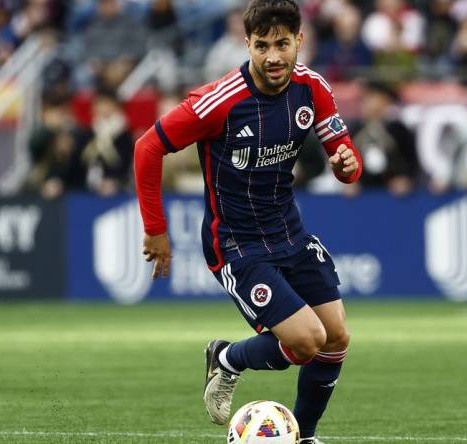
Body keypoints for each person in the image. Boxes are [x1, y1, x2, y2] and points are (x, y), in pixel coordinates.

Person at [133, 2, 363, 444]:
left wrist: (348, 165)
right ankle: (228, 358)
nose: (273, 56)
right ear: (247, 44)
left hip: (290, 232)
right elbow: (148, 148)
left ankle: (305, 436)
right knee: (307, 341)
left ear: (300, 39)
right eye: (262, 46)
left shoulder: (313, 88)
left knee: (336, 337)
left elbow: (345, 162)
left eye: (282, 44)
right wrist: (155, 228)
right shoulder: (218, 102)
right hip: (238, 245)